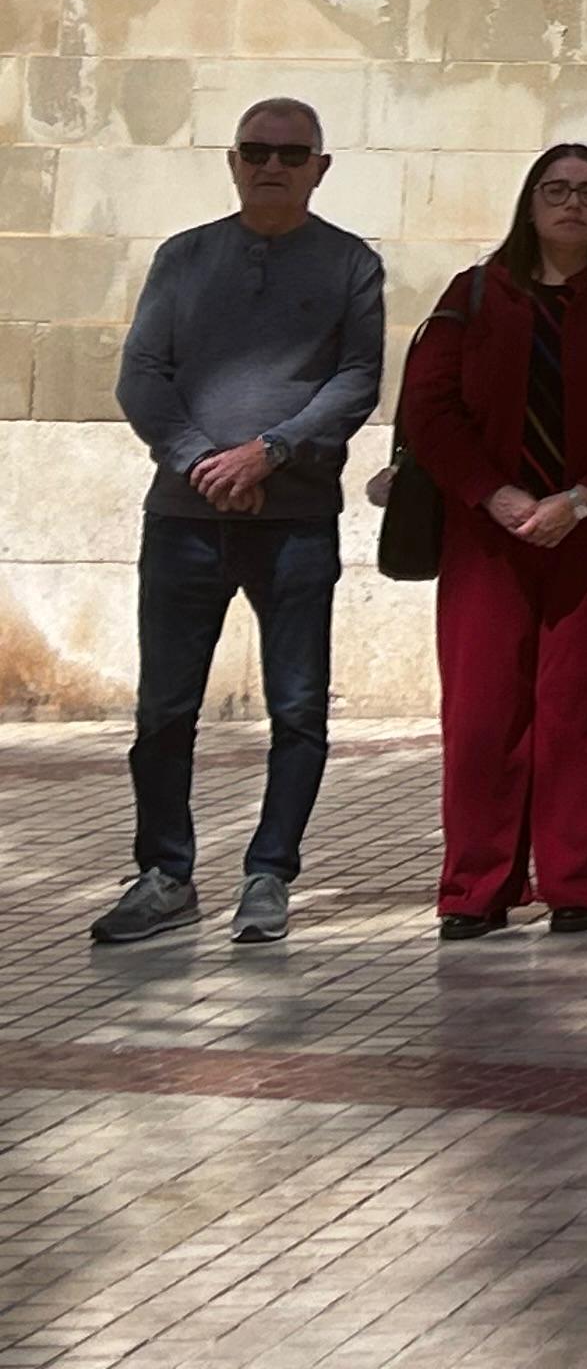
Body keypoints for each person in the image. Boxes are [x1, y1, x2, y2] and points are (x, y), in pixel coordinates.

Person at [91, 99, 384, 949]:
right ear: (232, 161)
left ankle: (269, 875)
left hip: (294, 521)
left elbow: (357, 380)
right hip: (184, 518)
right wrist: (199, 463)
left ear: (320, 168)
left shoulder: (351, 265)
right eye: (256, 150)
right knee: (164, 708)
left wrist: (270, 453)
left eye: (292, 154)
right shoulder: (183, 259)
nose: (273, 165)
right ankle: (165, 874)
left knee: (297, 709)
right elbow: (142, 373)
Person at [397, 144, 587, 938]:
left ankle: (579, 882)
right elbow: (428, 408)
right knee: (483, 712)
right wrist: (493, 495)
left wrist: (583, 499)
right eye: (557, 190)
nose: (573, 205)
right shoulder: (475, 295)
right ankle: (476, 888)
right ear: (530, 203)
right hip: (489, 539)